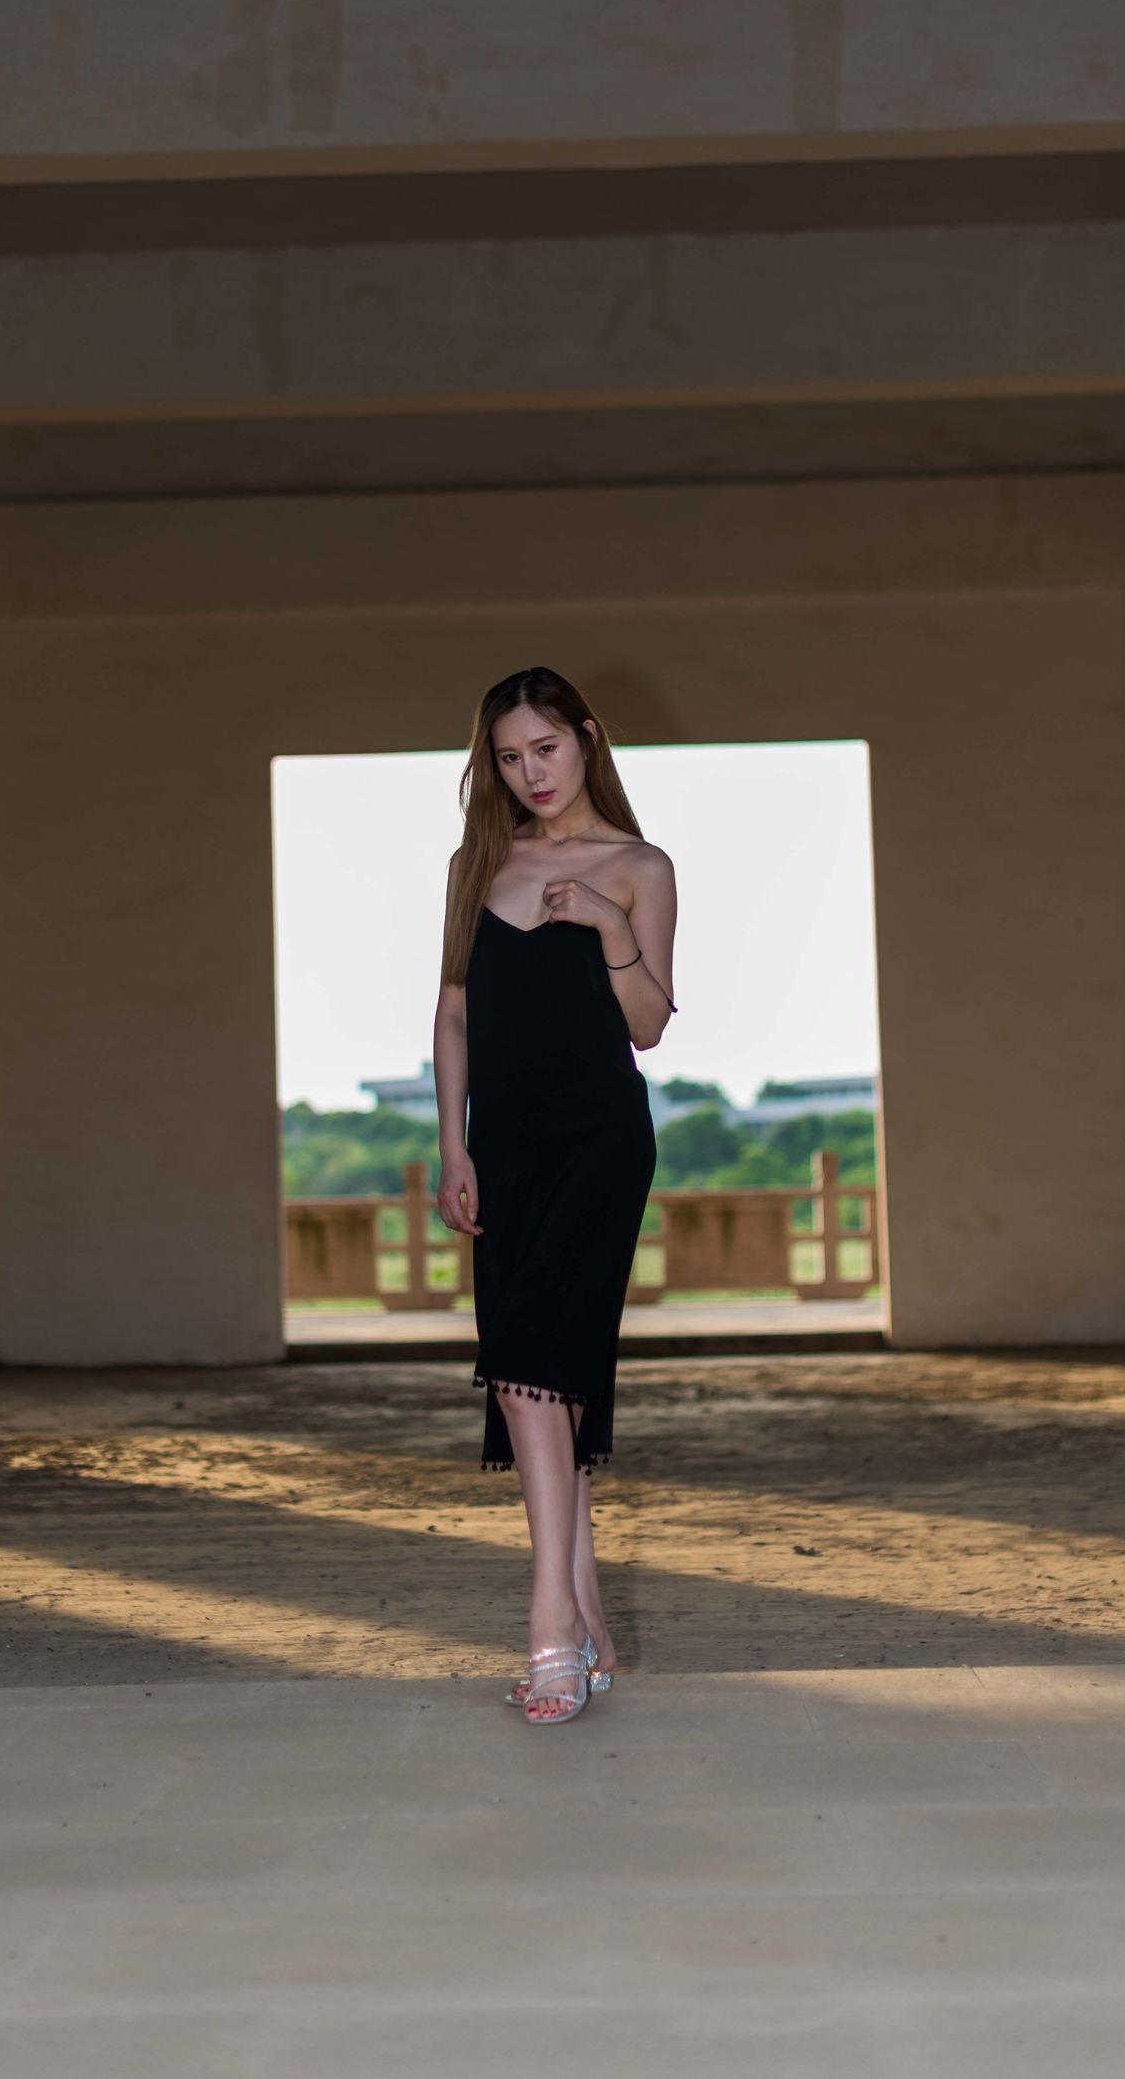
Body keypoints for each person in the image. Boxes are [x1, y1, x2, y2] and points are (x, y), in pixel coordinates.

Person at [432, 665, 678, 1727]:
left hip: (600, 1143)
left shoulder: (640, 866)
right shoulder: (477, 865)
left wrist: (609, 927)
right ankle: (588, 1620)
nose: (531, 772)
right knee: (541, 1377)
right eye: (508, 757)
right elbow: (452, 1011)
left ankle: (549, 1622)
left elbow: (649, 1025)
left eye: (546, 748)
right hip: (506, 1145)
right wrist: (453, 1145)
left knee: (537, 1368)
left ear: (587, 739)